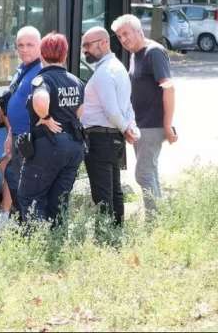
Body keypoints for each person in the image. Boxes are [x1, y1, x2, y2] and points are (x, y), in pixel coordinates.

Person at [111, 14, 177, 216]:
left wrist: (167, 125)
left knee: (143, 174)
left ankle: (153, 222)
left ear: (139, 30)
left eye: (125, 34)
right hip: (140, 125)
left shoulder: (154, 52)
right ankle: (159, 217)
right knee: (150, 172)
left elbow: (169, 88)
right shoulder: (134, 54)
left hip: (153, 125)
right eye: (119, 36)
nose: (123, 39)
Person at [17, 32, 85, 224]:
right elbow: (80, 112)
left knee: (30, 198)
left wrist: (45, 117)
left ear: (42, 54)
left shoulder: (42, 80)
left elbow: (40, 99)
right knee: (59, 201)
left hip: (48, 146)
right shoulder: (76, 81)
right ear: (64, 55)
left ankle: (37, 245)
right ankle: (58, 244)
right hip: (74, 147)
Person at [80, 26, 138, 226]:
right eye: (83, 45)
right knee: (114, 189)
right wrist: (128, 127)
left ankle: (108, 238)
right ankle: (116, 234)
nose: (85, 50)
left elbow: (112, 110)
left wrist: (126, 128)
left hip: (100, 138)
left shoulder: (105, 71)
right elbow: (127, 105)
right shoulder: (117, 67)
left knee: (103, 193)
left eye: (88, 45)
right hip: (111, 137)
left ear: (104, 43)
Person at [3, 26, 43, 206]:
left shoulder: (42, 70)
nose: (24, 49)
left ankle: (30, 226)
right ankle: (22, 223)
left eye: (29, 44)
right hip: (17, 135)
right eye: (20, 45)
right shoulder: (22, 68)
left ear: (40, 45)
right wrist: (10, 134)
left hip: (31, 138)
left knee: (27, 185)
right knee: (13, 178)